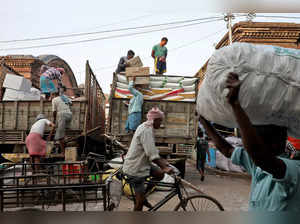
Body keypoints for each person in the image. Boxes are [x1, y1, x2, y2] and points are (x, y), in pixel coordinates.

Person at [199, 72, 300, 211]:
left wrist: (235, 104)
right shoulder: (257, 165)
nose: (252, 145)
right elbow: (227, 150)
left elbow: (257, 152)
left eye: (259, 139)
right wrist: (203, 121)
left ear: (276, 142)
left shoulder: (292, 169)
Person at [122, 107, 173, 211]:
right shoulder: (146, 130)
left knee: (160, 174)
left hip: (142, 164)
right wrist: (164, 166)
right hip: (135, 169)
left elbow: (152, 150)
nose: (161, 124)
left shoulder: (148, 128)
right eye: (160, 121)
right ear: (155, 120)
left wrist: (163, 163)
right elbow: (151, 153)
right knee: (139, 203)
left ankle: (143, 195)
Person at [51, 88, 72, 156]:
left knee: (60, 136)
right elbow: (71, 104)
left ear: (53, 94)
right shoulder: (64, 97)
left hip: (62, 115)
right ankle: (66, 145)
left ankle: (63, 153)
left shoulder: (54, 99)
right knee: (64, 134)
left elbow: (54, 111)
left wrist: (54, 119)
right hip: (69, 115)